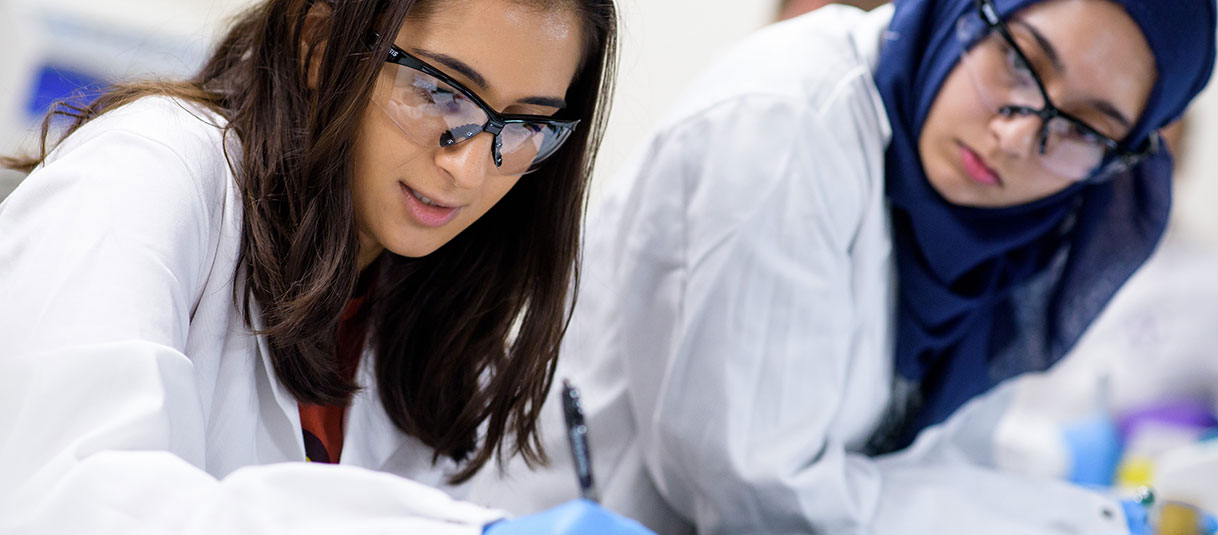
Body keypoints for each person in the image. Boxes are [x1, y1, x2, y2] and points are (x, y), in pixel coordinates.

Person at [469, 0, 1217, 533]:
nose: (1018, 138)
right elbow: (757, 497)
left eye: (1085, 126)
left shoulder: (1018, 225)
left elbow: (932, 459)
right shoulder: (786, 123)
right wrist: (1058, 515)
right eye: (1021, 62)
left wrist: (1044, 486)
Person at [0, 0, 654, 533]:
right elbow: (71, 502)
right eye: (438, 91)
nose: (470, 166)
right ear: (319, 42)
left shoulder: (421, 301)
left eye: (522, 125)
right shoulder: (149, 173)